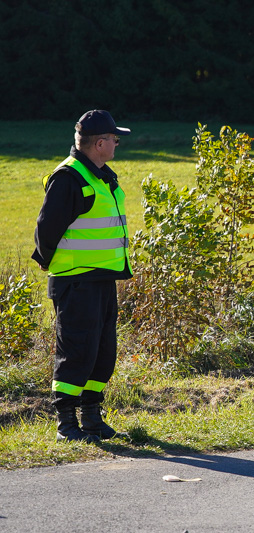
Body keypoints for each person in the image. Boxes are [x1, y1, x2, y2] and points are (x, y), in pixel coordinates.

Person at [32, 110, 133, 442]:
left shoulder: (102, 175)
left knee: (102, 351)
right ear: (100, 143)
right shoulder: (69, 178)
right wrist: (50, 263)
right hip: (76, 280)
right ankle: (66, 423)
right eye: (115, 139)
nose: (117, 144)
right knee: (76, 350)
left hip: (101, 278)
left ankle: (91, 418)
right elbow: (46, 231)